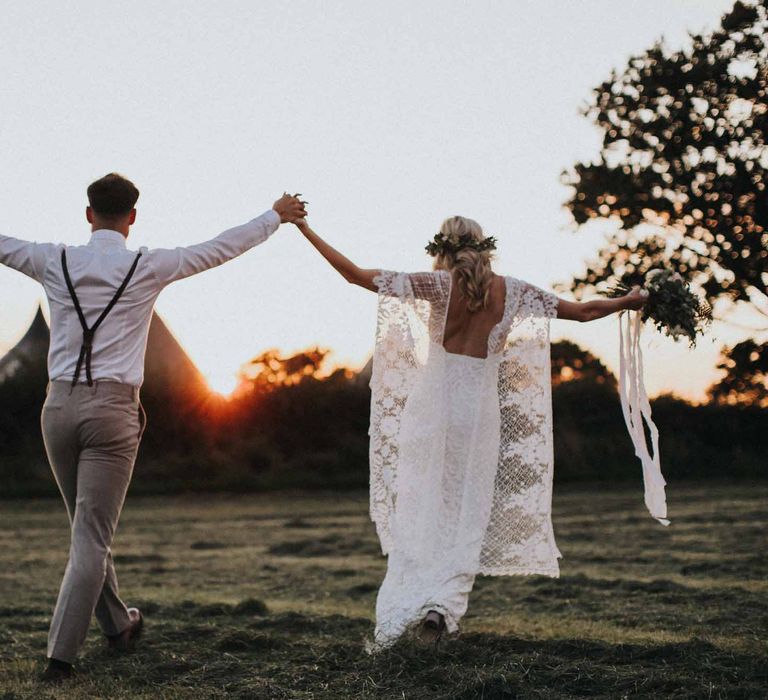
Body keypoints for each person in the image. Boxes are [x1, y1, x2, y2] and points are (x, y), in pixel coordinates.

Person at [0, 173, 306, 681]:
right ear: (133, 217)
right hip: (113, 411)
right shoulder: (147, 264)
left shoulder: (51, 258)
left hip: (57, 408)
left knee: (85, 530)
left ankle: (119, 625)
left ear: (88, 214)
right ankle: (60, 659)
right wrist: (275, 215)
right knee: (92, 537)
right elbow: (219, 248)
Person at [293, 214, 646, 648]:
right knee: (468, 510)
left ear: (441, 248)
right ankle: (441, 608)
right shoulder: (513, 291)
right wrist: (627, 301)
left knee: (421, 509)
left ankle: (406, 609)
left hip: (430, 409)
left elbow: (354, 275)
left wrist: (305, 230)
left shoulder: (434, 287)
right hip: (477, 415)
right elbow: (585, 311)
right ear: (485, 247)